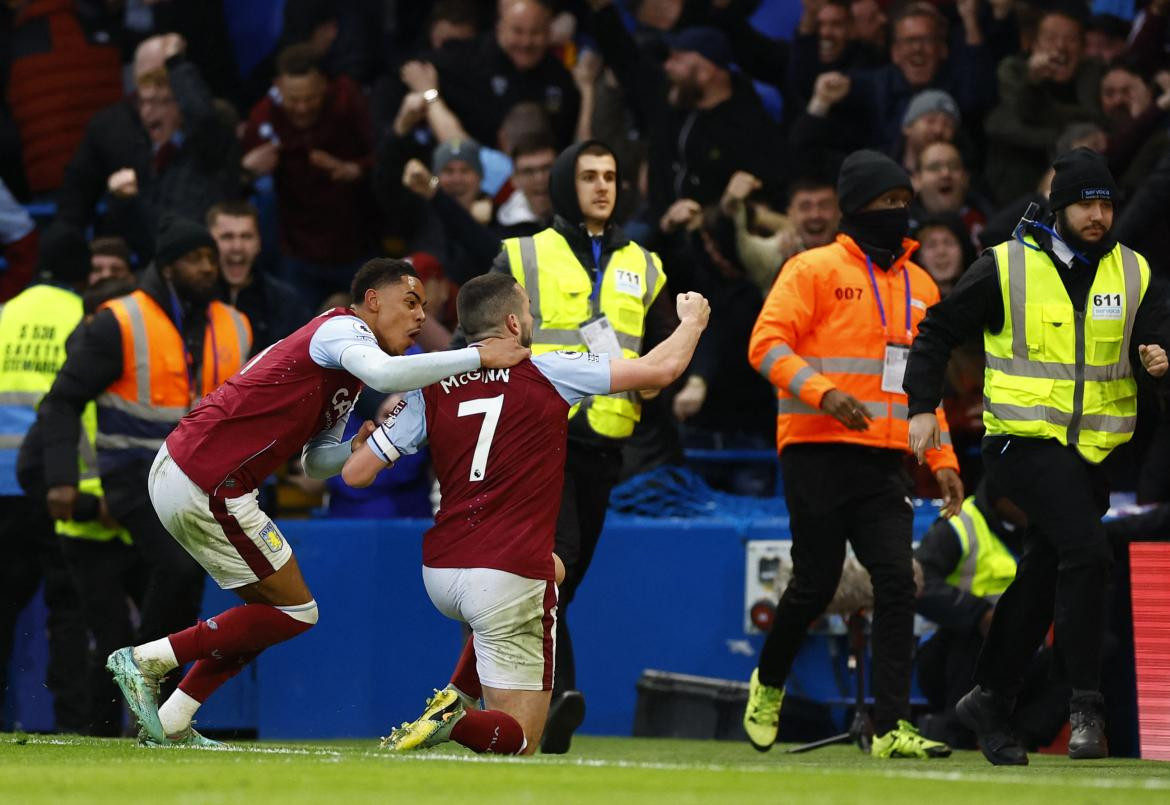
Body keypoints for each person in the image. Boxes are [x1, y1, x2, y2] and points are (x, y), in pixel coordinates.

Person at [105, 259, 529, 748]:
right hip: (206, 477)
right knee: (296, 612)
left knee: (265, 615)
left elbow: (315, 464)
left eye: (424, 308)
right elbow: (388, 373)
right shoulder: (342, 329)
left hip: (195, 473)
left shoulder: (343, 367)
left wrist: (352, 447)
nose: (418, 318)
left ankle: (175, 718)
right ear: (372, 300)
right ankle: (147, 659)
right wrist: (475, 357)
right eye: (410, 303)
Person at [342, 273, 709, 756]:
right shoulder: (551, 370)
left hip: (442, 571)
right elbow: (661, 369)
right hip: (506, 574)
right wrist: (692, 322)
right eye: (530, 311)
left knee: (551, 569)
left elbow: (356, 474)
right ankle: (453, 722)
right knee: (520, 741)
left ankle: (457, 694)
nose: (532, 319)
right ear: (513, 322)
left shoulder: (430, 387)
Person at [905, 148, 1169, 765]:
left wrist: (1159, 359)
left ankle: (990, 697)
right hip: (1018, 441)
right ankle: (1086, 707)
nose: (1098, 215)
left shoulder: (1134, 272)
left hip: (1092, 453)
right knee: (1086, 550)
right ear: (1059, 207)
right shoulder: (1006, 267)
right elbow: (938, 328)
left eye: (1106, 203)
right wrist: (922, 405)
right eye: (1085, 203)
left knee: (1046, 570)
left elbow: (1158, 332)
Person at [743, 149, 962, 760]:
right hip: (815, 449)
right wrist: (825, 393)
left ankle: (892, 727)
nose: (898, 213)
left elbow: (924, 386)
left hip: (885, 459)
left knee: (897, 583)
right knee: (814, 584)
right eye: (886, 204)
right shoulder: (810, 269)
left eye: (903, 203)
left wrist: (943, 461)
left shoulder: (922, 285)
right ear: (857, 209)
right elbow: (764, 344)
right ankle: (770, 682)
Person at [486, 138, 668, 753]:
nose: (601, 186)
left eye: (610, 176)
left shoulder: (645, 264)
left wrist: (665, 393)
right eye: (589, 176)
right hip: (540, 434)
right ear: (566, 184)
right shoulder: (521, 253)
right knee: (553, 565)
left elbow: (667, 344)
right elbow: (483, 332)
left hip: (606, 445)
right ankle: (558, 693)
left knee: (566, 577)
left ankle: (527, 692)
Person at [0, 223, 96, 734]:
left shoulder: (5, 314)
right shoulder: (80, 316)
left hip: (2, 488)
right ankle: (74, 722)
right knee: (68, 610)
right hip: (57, 484)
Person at [913, 481, 1069, 751]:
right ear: (1000, 496)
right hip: (949, 657)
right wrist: (980, 612)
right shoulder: (959, 523)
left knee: (1093, 645)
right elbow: (920, 584)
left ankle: (1023, 735)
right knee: (985, 629)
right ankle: (952, 726)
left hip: (1022, 657)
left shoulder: (1041, 530)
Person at [240, 44, 375, 308]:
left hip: (354, 247)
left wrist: (355, 169)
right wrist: (246, 171)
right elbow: (234, 183)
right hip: (297, 255)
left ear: (324, 84)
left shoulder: (347, 102)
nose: (302, 108)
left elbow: (382, 154)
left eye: (310, 98)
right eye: (293, 100)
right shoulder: (263, 118)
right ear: (277, 85)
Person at [207, 200, 311, 355]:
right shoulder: (192, 298)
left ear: (258, 242)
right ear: (208, 243)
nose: (237, 247)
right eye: (227, 237)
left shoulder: (285, 302)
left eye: (246, 237)